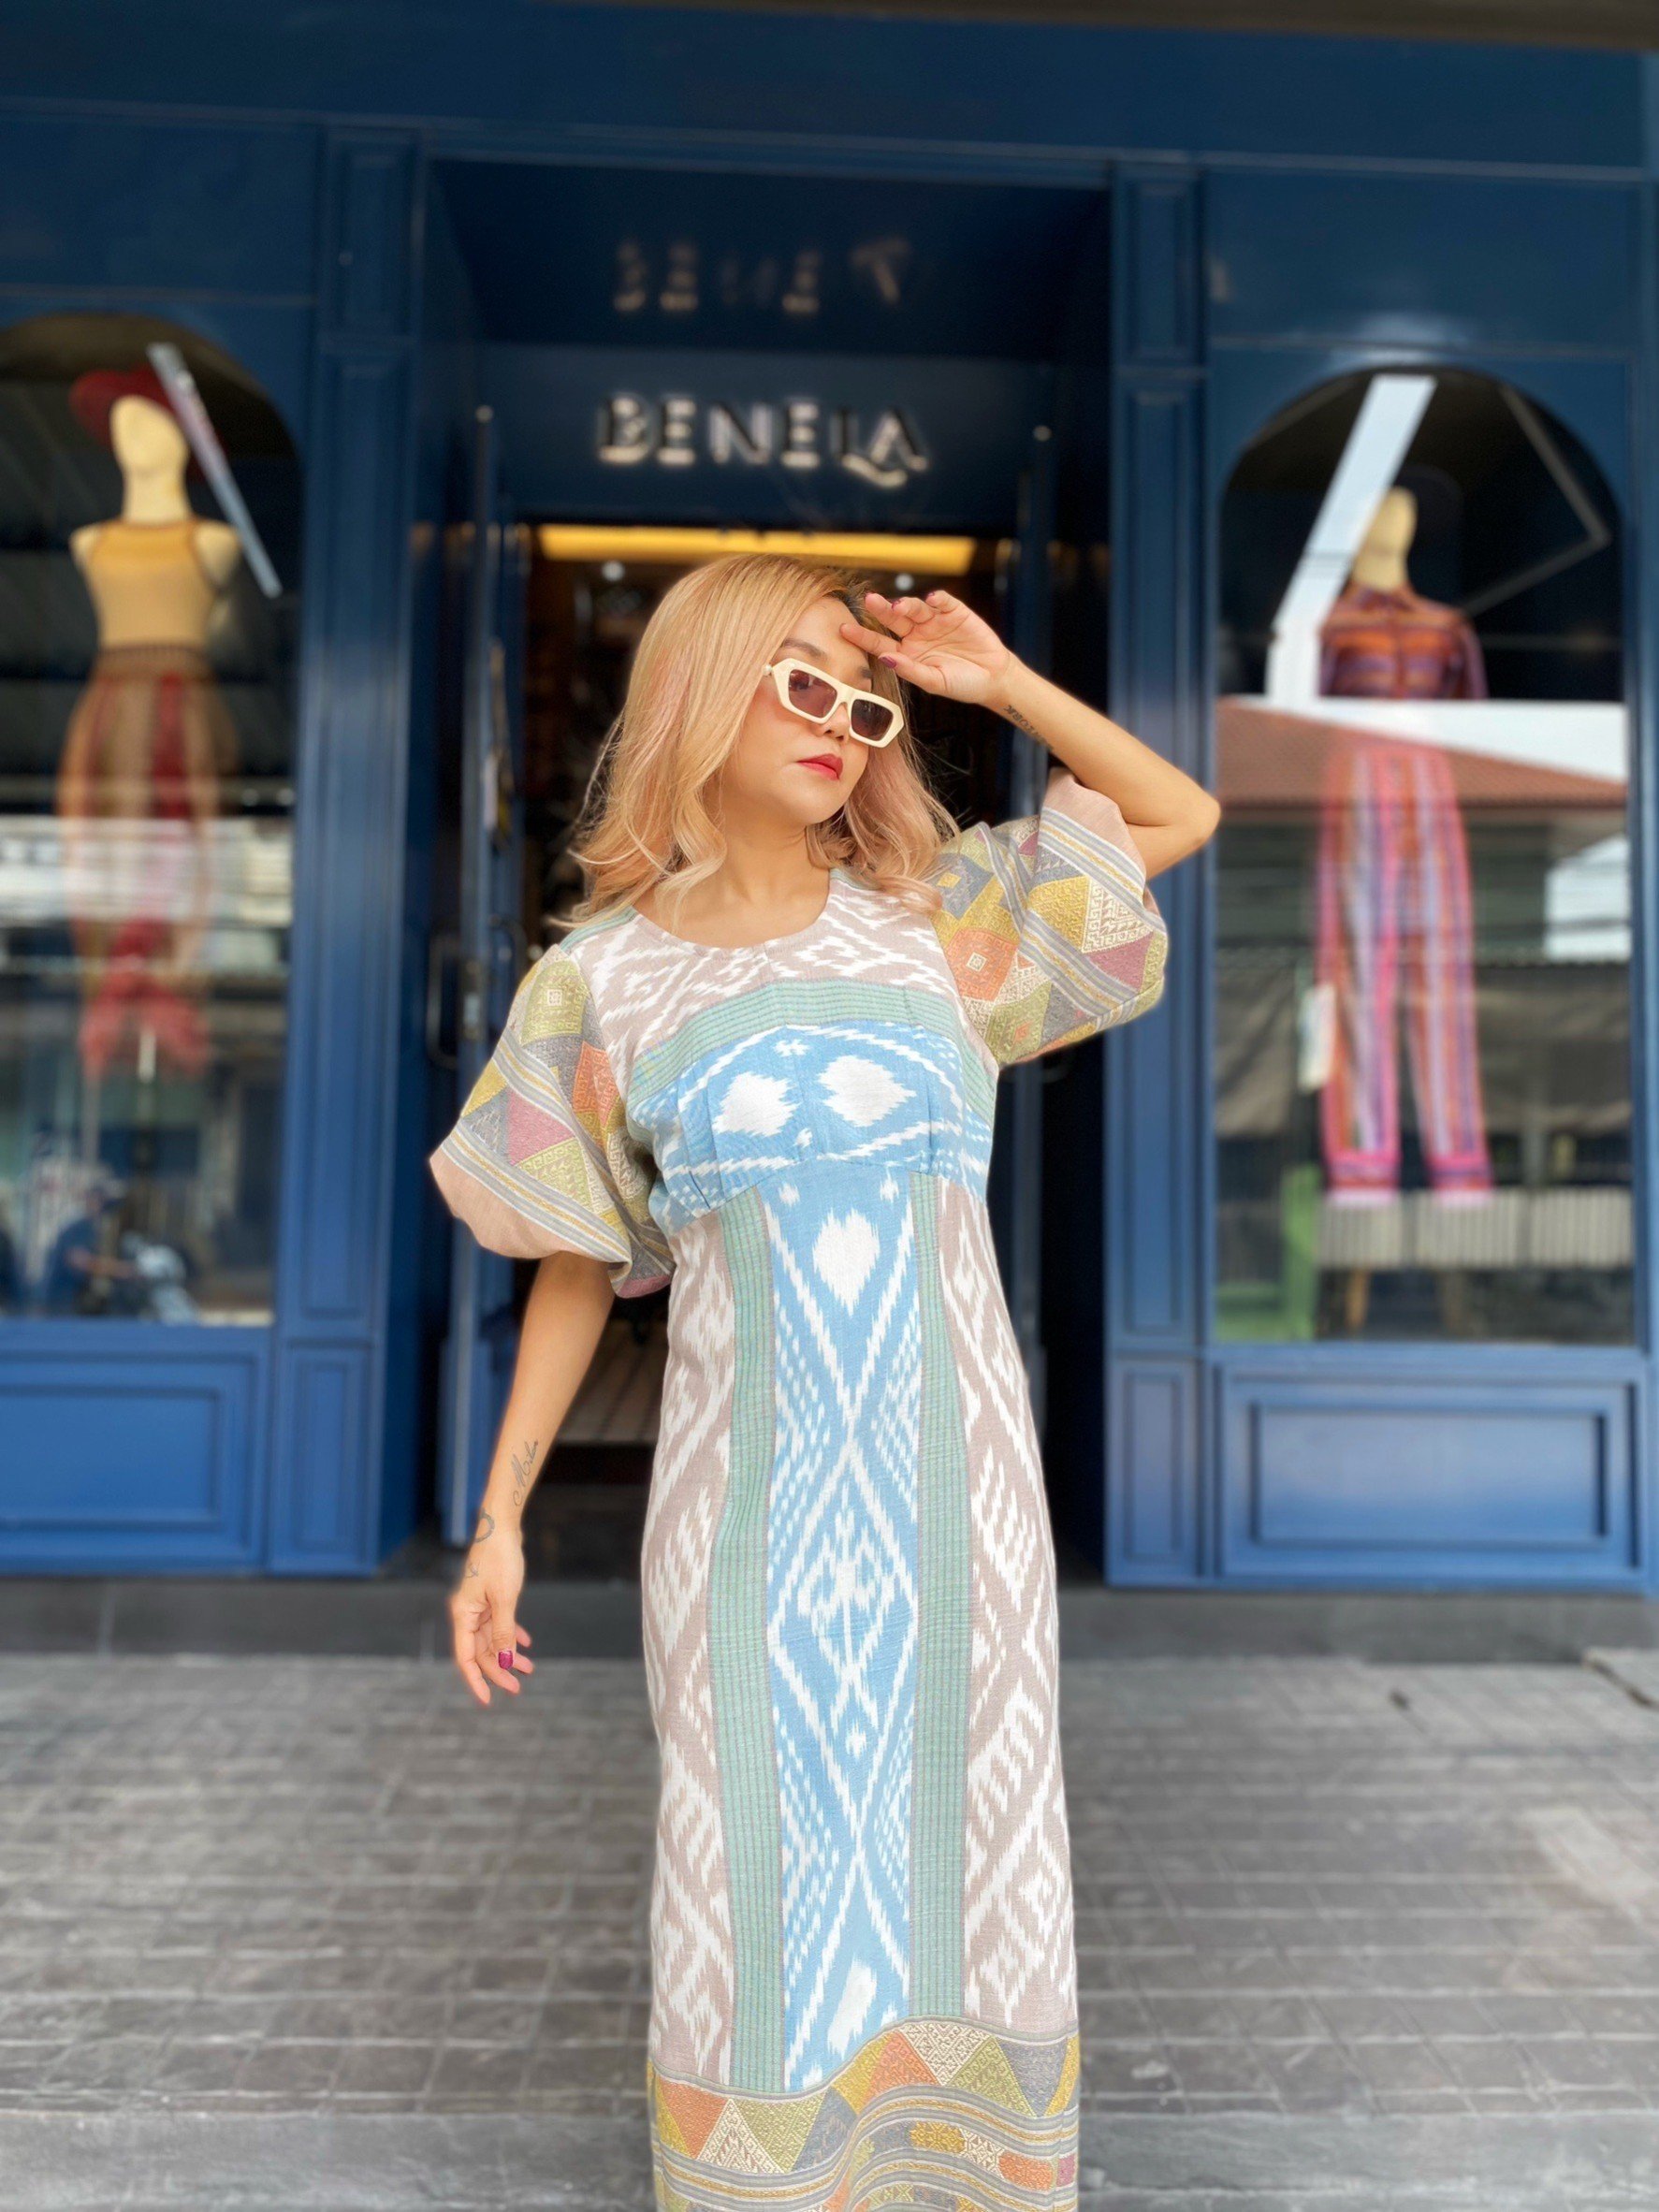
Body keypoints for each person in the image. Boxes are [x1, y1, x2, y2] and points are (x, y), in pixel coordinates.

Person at [429, 553, 1219, 2211]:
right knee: (750, 1890)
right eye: (799, 679)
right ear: (694, 691)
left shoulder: (944, 922)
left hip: (957, 1513)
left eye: (863, 702)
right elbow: (573, 1258)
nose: (840, 722)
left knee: (973, 1871)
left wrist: (996, 684)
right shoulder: (599, 983)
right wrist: (499, 1521)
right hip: (743, 1525)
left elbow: (1175, 813)